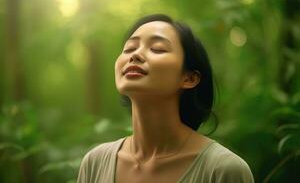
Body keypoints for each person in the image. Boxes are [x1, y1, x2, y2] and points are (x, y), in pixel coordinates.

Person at [77, 14, 255, 183]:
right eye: (129, 48)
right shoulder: (95, 163)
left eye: (157, 49)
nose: (135, 55)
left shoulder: (223, 170)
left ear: (189, 78)